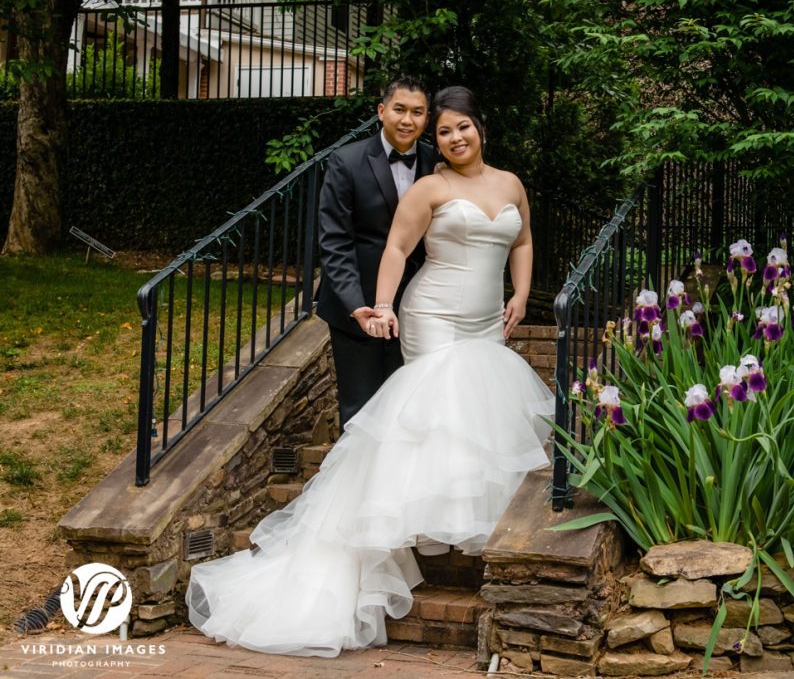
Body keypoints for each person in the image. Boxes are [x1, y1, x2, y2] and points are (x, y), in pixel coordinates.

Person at [186, 86, 554, 656]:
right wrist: (380, 305)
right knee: (430, 415)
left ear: (481, 127)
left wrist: (523, 295)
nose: (454, 138)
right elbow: (393, 251)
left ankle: (453, 531)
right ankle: (385, 534)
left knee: (479, 418)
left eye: (462, 128)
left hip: (486, 318)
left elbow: (523, 240)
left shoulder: (509, 184)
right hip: (430, 312)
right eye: (445, 132)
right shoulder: (426, 183)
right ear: (386, 115)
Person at [315, 76, 440, 428]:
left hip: (420, 308)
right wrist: (356, 305)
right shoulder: (347, 161)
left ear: (427, 119)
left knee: (413, 412)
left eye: (417, 112)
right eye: (399, 109)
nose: (407, 120)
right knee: (361, 412)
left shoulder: (438, 163)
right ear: (381, 111)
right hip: (359, 309)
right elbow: (335, 242)